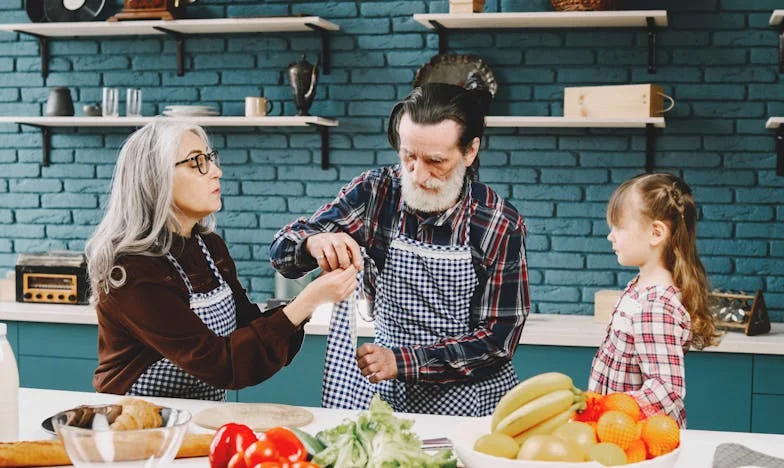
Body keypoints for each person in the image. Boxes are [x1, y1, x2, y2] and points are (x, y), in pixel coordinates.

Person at [269, 83, 530, 416]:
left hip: (472, 407)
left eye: (436, 161)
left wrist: (402, 361)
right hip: (388, 397)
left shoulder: (497, 222)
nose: (418, 175)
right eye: (408, 156)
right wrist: (312, 242)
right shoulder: (375, 192)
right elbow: (281, 252)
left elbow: (497, 342)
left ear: (469, 151)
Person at [87, 119, 356, 401]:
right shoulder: (131, 268)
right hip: (136, 422)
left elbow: (246, 329)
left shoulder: (209, 247)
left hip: (198, 416)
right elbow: (221, 364)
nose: (216, 171)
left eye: (210, 159)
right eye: (196, 162)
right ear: (156, 178)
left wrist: (311, 298)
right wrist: (308, 301)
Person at [588, 172, 720, 428]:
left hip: (642, 438)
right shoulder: (640, 289)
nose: (610, 236)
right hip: (621, 429)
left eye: (619, 227)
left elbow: (666, 389)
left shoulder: (655, 306)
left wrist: (606, 408)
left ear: (656, 233)